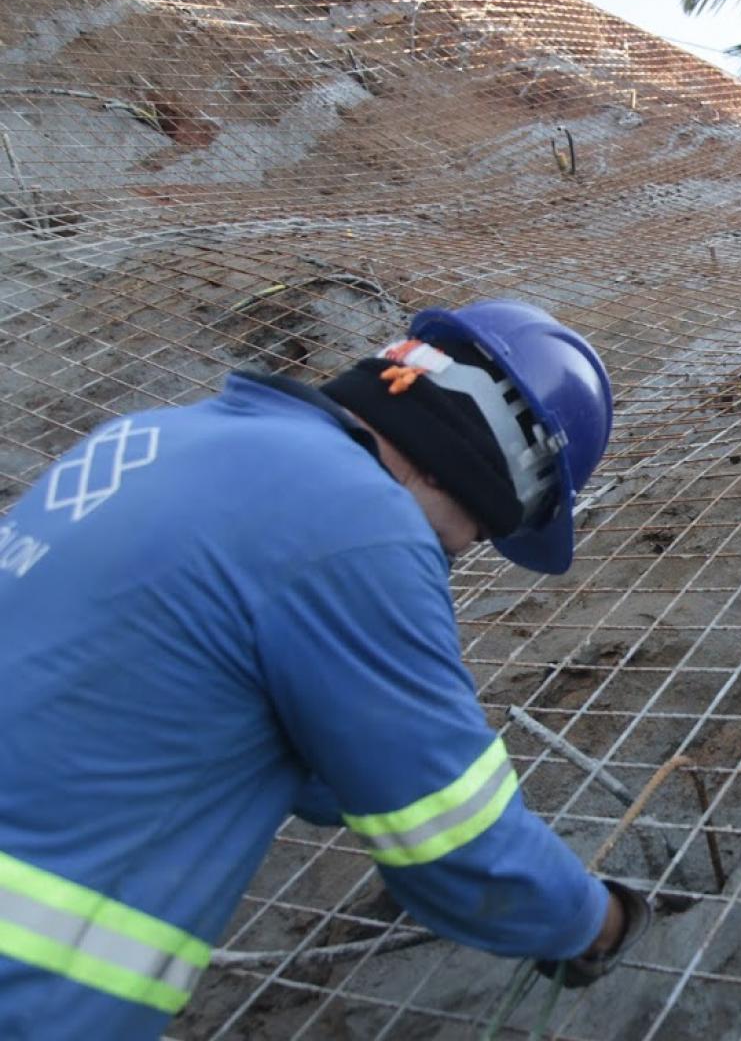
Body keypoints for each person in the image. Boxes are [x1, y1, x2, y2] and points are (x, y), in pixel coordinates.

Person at [0, 299, 650, 1037]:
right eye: (481, 532)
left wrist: (375, 764)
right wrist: (599, 923)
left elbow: (187, 695)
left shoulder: (152, 436)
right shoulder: (361, 527)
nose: (462, 550)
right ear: (501, 468)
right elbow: (456, 849)